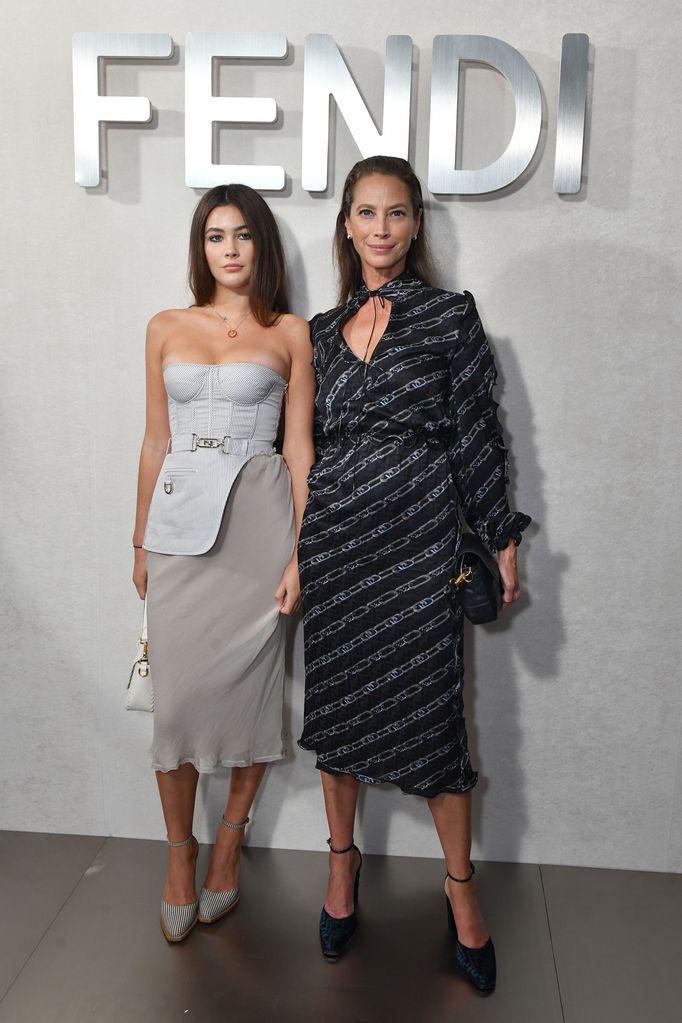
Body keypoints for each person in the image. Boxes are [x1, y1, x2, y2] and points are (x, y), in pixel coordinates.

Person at [298, 156, 530, 991]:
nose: (382, 228)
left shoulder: (447, 315)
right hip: (336, 538)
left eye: (397, 213)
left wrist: (501, 536)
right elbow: (304, 447)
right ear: (348, 225)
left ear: (416, 223)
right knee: (338, 703)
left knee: (433, 713)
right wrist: (293, 546)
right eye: (366, 212)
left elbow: (475, 430)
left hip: (417, 535)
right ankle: (340, 866)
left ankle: (460, 889)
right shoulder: (322, 331)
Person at [132, 184, 315, 942]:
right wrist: (138, 538)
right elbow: (153, 439)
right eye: (215, 235)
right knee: (172, 701)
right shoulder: (165, 325)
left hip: (259, 518)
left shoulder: (292, 332)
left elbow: (301, 447)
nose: (229, 249)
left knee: (252, 697)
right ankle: (181, 854)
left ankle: (229, 845)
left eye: (242, 235)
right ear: (199, 246)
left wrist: (303, 549)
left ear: (261, 245)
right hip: (178, 518)